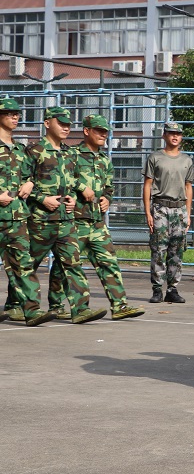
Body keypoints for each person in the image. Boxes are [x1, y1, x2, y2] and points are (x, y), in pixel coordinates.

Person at [48, 115, 145, 320]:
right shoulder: (71, 154)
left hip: (96, 222)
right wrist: (82, 188)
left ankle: (120, 306)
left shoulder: (103, 159)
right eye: (99, 130)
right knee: (64, 265)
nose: (103, 134)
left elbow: (109, 186)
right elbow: (62, 177)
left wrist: (107, 199)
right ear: (86, 131)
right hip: (74, 221)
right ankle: (56, 305)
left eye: (106, 131)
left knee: (109, 262)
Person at [23, 106, 106, 324]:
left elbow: (72, 182)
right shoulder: (34, 151)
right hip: (40, 221)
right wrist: (42, 199)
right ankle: (18, 306)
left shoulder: (69, 153)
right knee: (28, 265)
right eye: (61, 124)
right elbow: (23, 184)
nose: (66, 128)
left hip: (66, 221)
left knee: (73, 264)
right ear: (47, 123)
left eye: (69, 125)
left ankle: (81, 309)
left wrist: (71, 198)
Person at [0, 97, 56, 327]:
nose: (15, 117)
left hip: (16, 218)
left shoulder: (21, 150)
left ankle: (32, 310)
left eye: (17, 114)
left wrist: (30, 183)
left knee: (23, 264)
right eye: (10, 113)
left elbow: (29, 175)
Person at [142, 121, 193, 304]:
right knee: (158, 250)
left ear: (181, 137)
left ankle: (172, 289)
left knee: (176, 251)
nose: (174, 136)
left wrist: (188, 213)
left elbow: (188, 187)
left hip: (179, 209)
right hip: (160, 208)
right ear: (164, 135)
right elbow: (147, 185)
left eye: (178, 134)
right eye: (171, 133)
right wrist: (148, 212)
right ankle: (157, 290)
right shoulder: (155, 158)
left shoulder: (187, 160)